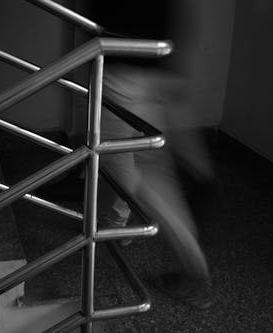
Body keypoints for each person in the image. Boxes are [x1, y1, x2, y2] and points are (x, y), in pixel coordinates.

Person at [90, 0, 215, 309]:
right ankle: (189, 265)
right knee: (155, 173)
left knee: (129, 174)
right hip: (158, 73)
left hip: (120, 74)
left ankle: (194, 271)